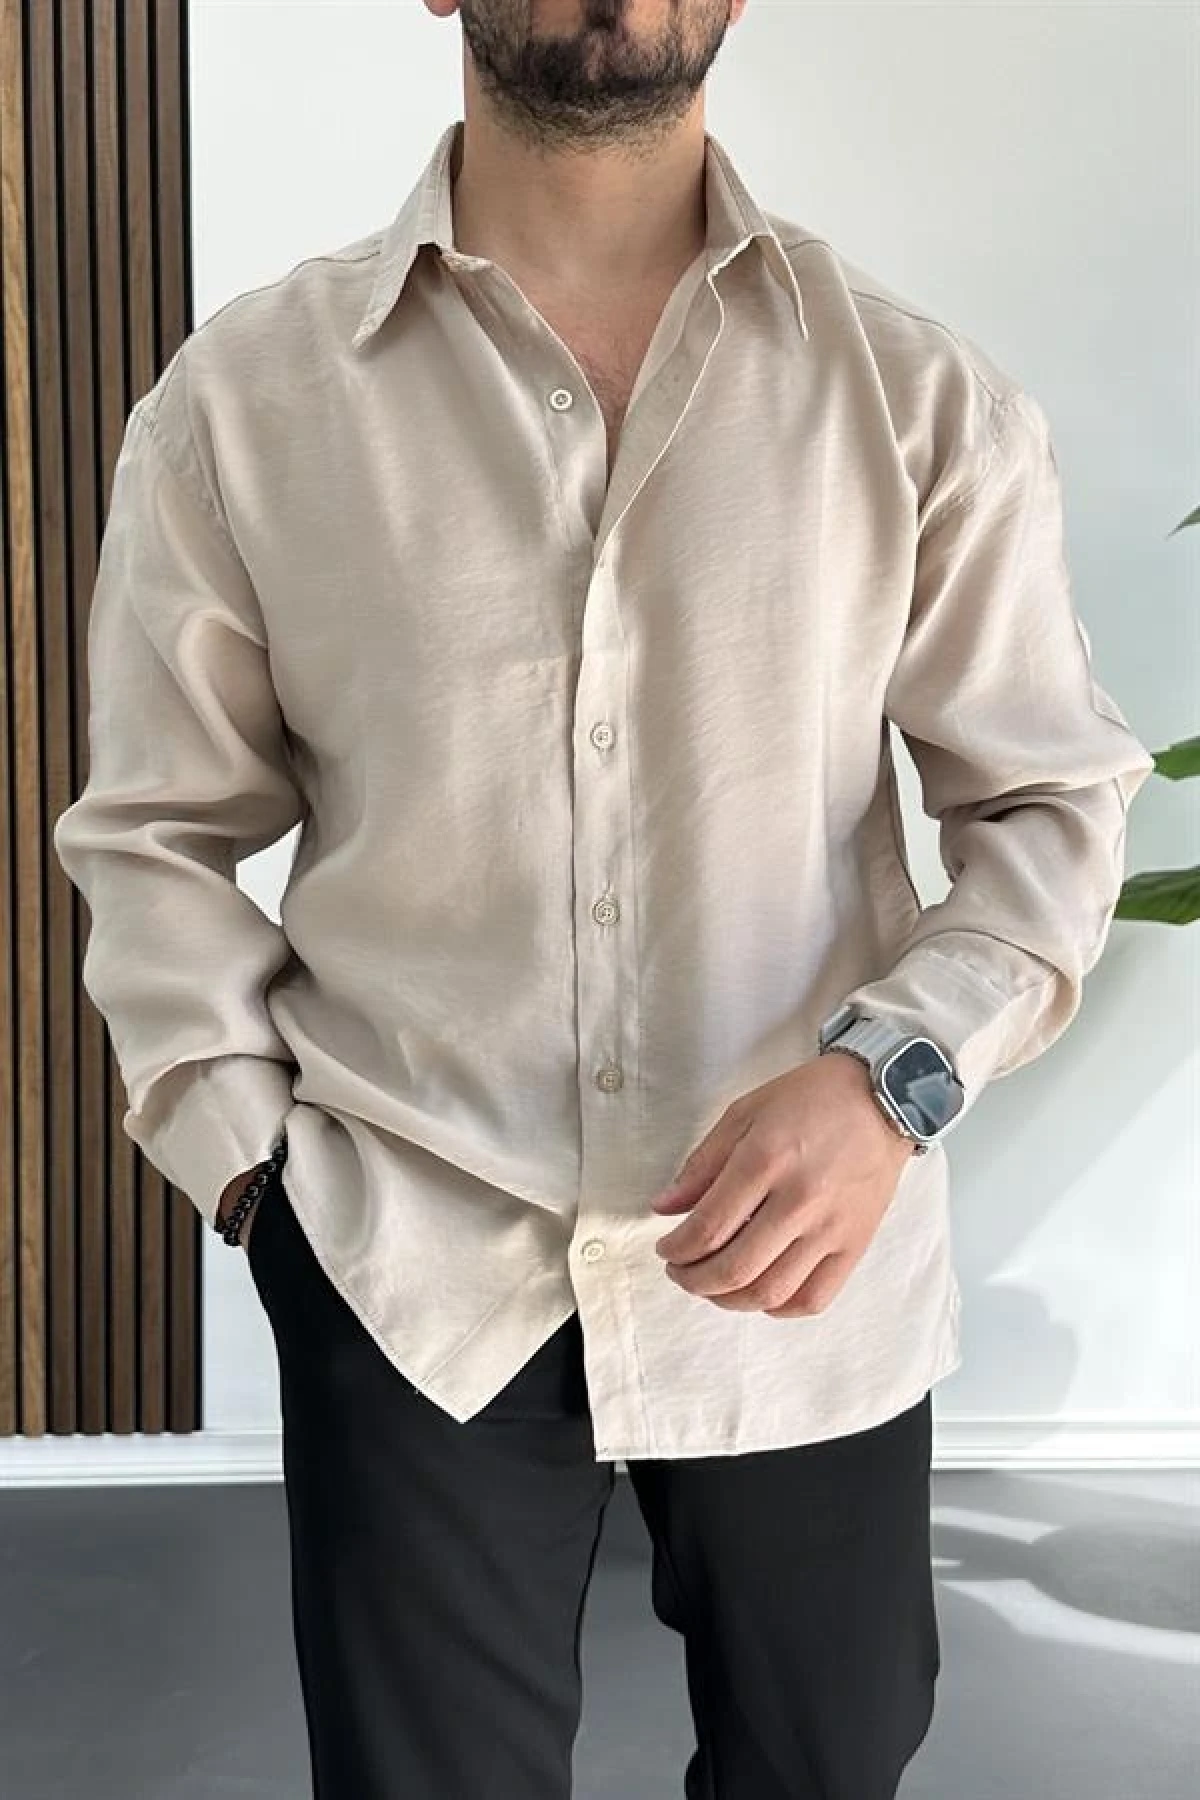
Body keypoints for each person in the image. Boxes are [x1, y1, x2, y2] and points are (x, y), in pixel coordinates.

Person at [52, 2, 1156, 1796]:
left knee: (826, 1762)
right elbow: (153, 832)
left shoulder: (919, 401)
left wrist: (893, 1081)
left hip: (808, 1273)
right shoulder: (244, 406)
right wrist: (257, 1182)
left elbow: (1047, 801)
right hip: (408, 1255)